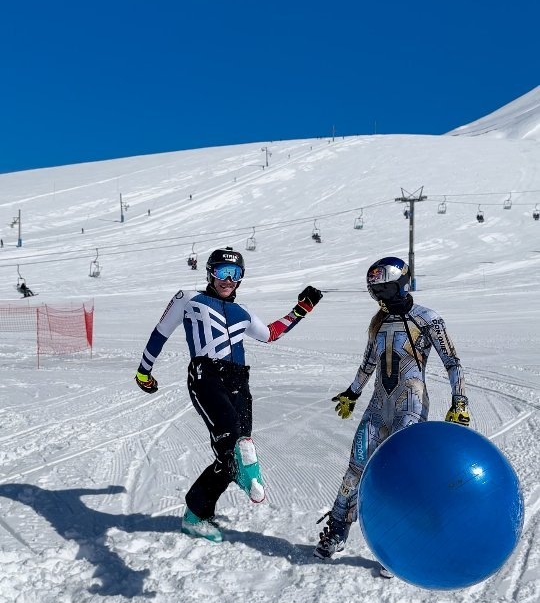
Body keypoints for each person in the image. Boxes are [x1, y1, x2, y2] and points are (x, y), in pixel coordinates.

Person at [135, 246, 323, 542]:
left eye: (234, 274)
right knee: (232, 439)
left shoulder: (243, 311)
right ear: (209, 272)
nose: (227, 279)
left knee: (232, 453)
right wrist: (144, 371)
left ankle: (198, 514)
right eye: (222, 272)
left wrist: (301, 310)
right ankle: (250, 476)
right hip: (206, 376)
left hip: (239, 381)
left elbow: (271, 333)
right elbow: (160, 333)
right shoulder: (188, 298)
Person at [314, 255, 469, 575]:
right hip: (377, 408)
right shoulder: (379, 323)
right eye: (374, 291)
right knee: (355, 468)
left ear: (400, 284)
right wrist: (352, 392)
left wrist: (460, 401)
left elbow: (452, 361)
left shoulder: (427, 318)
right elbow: (368, 362)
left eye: (383, 289)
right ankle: (338, 530)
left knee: (402, 476)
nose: (378, 297)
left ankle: (402, 546)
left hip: (410, 405)